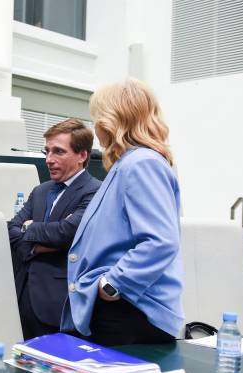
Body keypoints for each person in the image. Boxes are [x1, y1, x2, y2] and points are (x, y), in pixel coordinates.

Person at [62, 78, 183, 346]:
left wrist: (112, 285)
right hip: (127, 309)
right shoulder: (132, 163)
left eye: (97, 118)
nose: (94, 128)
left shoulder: (140, 164)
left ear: (111, 121)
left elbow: (160, 241)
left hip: (130, 311)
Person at [8, 119, 101, 340]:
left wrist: (30, 229)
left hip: (59, 303)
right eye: (47, 151)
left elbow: (68, 232)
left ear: (82, 155)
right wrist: (37, 247)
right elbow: (12, 229)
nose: (49, 160)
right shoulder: (40, 190)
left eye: (58, 152)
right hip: (22, 295)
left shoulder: (95, 191)